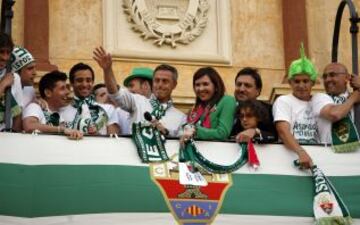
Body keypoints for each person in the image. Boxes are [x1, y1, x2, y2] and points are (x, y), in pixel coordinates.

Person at [273, 45, 360, 169]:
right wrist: (301, 152)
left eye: (305, 81)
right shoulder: (319, 98)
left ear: (312, 82)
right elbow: (283, 131)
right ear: (290, 82)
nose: (301, 85)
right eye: (297, 81)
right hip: (308, 157)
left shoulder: (316, 99)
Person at [93, 47, 186, 137]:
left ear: (174, 85)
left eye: (165, 81)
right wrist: (107, 70)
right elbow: (115, 94)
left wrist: (166, 134)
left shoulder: (181, 117)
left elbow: (180, 147)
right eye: (157, 80)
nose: (160, 85)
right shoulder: (137, 102)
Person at [61, 62, 120, 135]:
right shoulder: (61, 110)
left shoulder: (108, 109)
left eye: (88, 80)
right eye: (79, 80)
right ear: (71, 83)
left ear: (92, 82)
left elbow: (114, 140)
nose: (84, 84)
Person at [22, 71, 83, 139]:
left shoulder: (62, 114)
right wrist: (62, 130)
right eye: (62, 88)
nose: (67, 92)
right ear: (48, 93)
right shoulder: (35, 107)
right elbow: (29, 126)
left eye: (67, 88)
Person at [181, 67, 236, 142]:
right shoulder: (194, 108)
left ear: (216, 86)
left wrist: (195, 131)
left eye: (205, 84)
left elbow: (222, 133)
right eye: (197, 85)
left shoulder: (227, 101)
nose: (201, 89)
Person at [231, 67, 277, 142]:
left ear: (258, 91)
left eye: (247, 85)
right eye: (239, 84)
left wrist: (256, 132)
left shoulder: (270, 110)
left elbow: (276, 136)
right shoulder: (228, 108)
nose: (241, 89)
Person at [0, 33, 22, 131]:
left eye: (8, 52)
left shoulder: (14, 78)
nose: (5, 57)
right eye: (1, 52)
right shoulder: (7, 79)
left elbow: (18, 114)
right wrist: (3, 84)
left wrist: (14, 137)